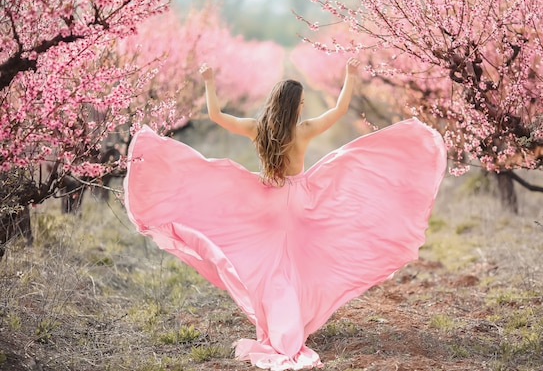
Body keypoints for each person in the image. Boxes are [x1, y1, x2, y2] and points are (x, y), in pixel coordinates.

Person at [123, 58, 447, 371]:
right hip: (302, 204)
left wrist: (208, 82)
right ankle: (294, 324)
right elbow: (340, 110)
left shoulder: (257, 128)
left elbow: (215, 114)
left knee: (270, 269)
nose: (304, 107)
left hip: (266, 205)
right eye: (302, 102)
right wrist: (350, 75)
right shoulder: (303, 130)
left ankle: (280, 322)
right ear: (295, 106)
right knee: (304, 266)